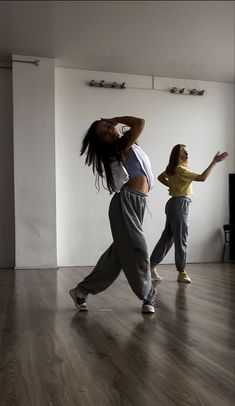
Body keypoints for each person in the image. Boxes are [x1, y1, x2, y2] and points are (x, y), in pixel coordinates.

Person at [69, 116, 156, 313]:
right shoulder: (119, 147)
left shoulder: (129, 145)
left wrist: (112, 121)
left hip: (139, 203)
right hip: (125, 202)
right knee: (139, 249)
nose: (109, 130)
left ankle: (81, 291)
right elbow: (141, 122)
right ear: (101, 141)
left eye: (109, 127)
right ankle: (148, 296)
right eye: (103, 132)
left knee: (116, 256)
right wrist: (115, 119)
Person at [150, 144, 228, 283]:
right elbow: (203, 177)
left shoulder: (173, 169)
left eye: (187, 150)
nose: (187, 153)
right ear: (177, 155)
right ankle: (182, 272)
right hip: (180, 204)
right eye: (183, 151)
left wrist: (173, 186)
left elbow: (161, 177)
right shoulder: (181, 170)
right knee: (181, 238)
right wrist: (214, 162)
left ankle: (150, 266)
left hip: (173, 203)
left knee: (167, 238)